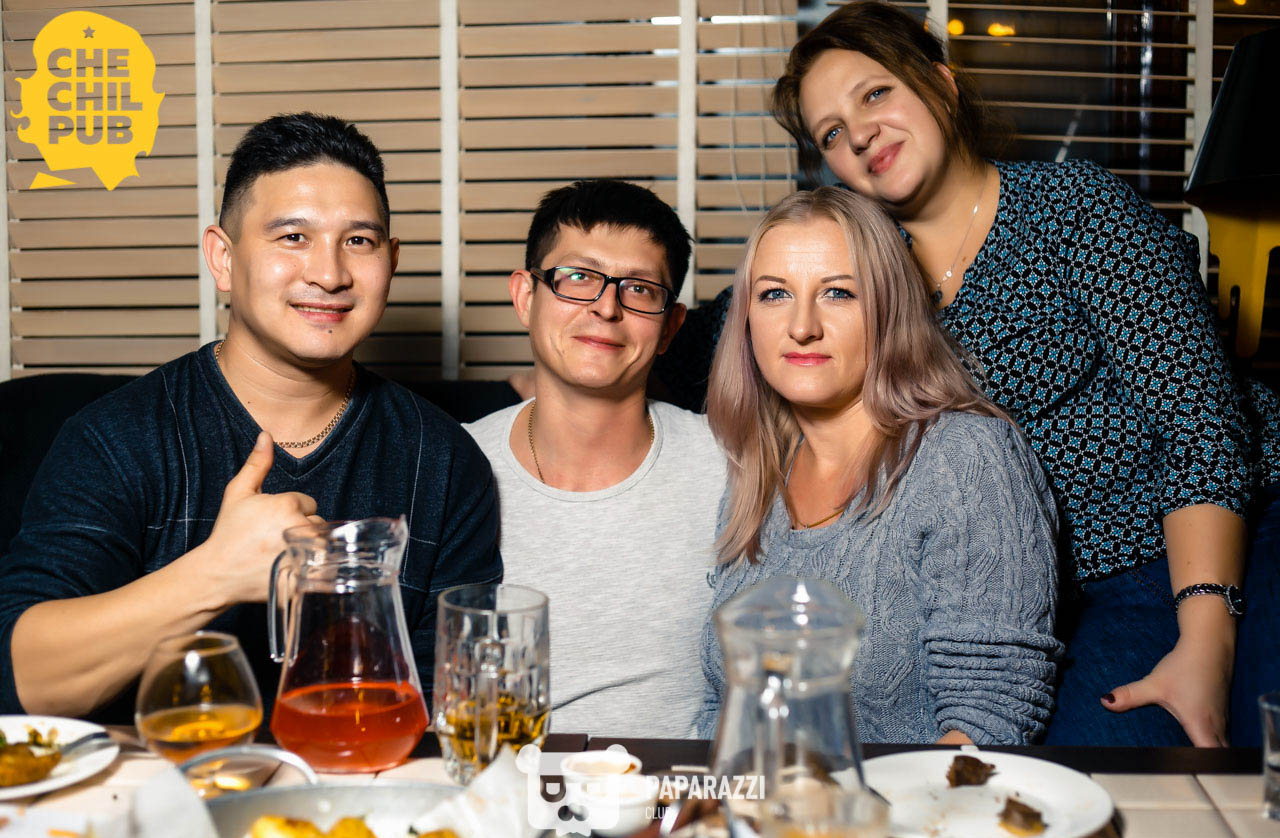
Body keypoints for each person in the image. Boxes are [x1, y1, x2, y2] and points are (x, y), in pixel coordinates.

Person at [670, 0, 1280, 746]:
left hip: (1198, 542)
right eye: (831, 132)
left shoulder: (1073, 210)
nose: (858, 133)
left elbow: (1202, 425)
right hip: (1049, 588)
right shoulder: (866, 271)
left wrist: (1206, 634)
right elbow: (734, 327)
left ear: (941, 82)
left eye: (875, 93)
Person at [0, 113, 501, 722]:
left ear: (391, 262)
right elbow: (21, 681)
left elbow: (445, 713)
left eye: (358, 242)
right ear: (222, 257)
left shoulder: (443, 459)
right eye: (292, 237)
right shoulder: (116, 438)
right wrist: (215, 574)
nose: (329, 274)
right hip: (159, 778)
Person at [697, 187, 1060, 745]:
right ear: (746, 318)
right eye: (774, 294)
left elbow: (987, 722)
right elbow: (718, 708)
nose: (802, 326)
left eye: (838, 293)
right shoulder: (757, 472)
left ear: (889, 310)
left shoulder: (965, 458)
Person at [464, 180, 726, 738]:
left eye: (640, 289)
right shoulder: (450, 468)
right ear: (525, 297)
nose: (607, 308)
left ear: (670, 327)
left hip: (682, 786)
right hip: (503, 784)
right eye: (578, 277)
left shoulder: (734, 467)